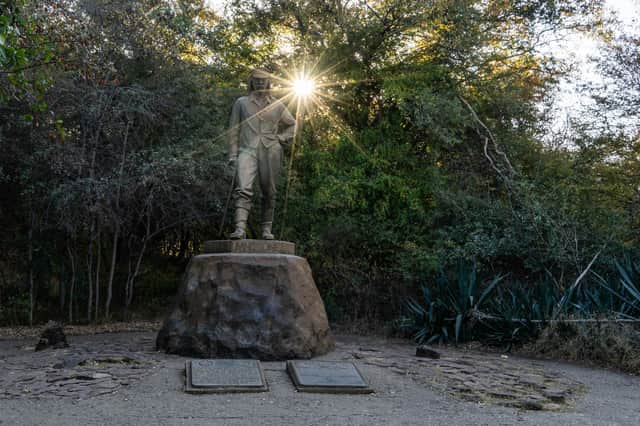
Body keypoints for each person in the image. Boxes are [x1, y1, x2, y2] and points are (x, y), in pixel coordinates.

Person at [227, 69, 296, 240]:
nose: (259, 83)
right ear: (251, 81)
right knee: (243, 188)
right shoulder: (241, 103)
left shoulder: (277, 105)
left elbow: (293, 124)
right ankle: (240, 229)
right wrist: (232, 154)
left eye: (263, 80)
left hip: (271, 150)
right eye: (256, 80)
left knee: (269, 191)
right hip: (247, 150)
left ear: (268, 82)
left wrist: (281, 138)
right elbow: (233, 130)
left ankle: (266, 230)